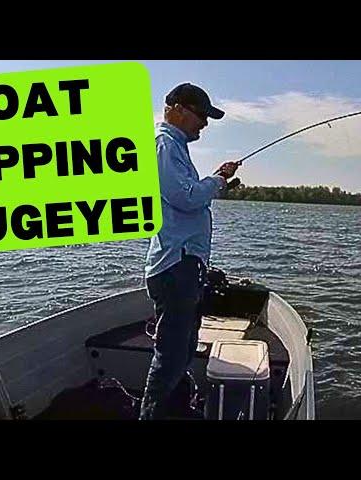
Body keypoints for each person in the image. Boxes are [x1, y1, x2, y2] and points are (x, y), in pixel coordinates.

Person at [139, 83, 238, 420]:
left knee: (181, 353)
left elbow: (187, 196)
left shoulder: (176, 147)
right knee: (171, 356)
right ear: (177, 108)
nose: (204, 124)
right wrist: (218, 181)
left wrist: (216, 181)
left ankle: (175, 411)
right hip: (174, 266)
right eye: (201, 115)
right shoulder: (164, 145)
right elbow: (187, 197)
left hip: (184, 266)